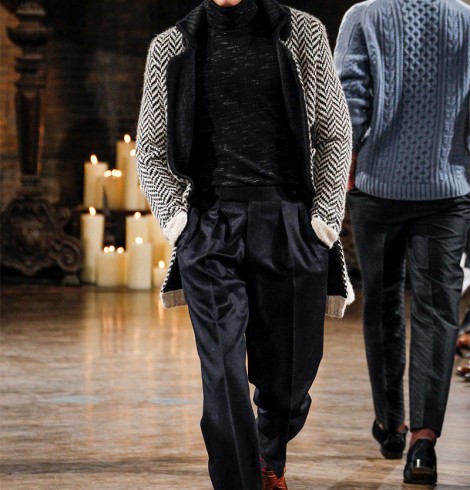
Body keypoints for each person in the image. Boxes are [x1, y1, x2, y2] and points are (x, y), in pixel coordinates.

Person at [135, 0, 353, 488]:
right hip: (211, 225)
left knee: (291, 379)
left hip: (290, 222)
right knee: (223, 372)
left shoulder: (302, 33)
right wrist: (178, 224)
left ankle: (267, 458)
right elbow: (149, 150)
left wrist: (323, 221)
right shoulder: (172, 46)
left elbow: (335, 134)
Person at [334, 0, 470, 485]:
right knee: (437, 311)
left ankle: (391, 424)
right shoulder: (466, 20)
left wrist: (346, 168)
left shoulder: (364, 16)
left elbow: (347, 99)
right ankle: (422, 445)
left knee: (382, 302)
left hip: (378, 189)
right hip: (447, 191)